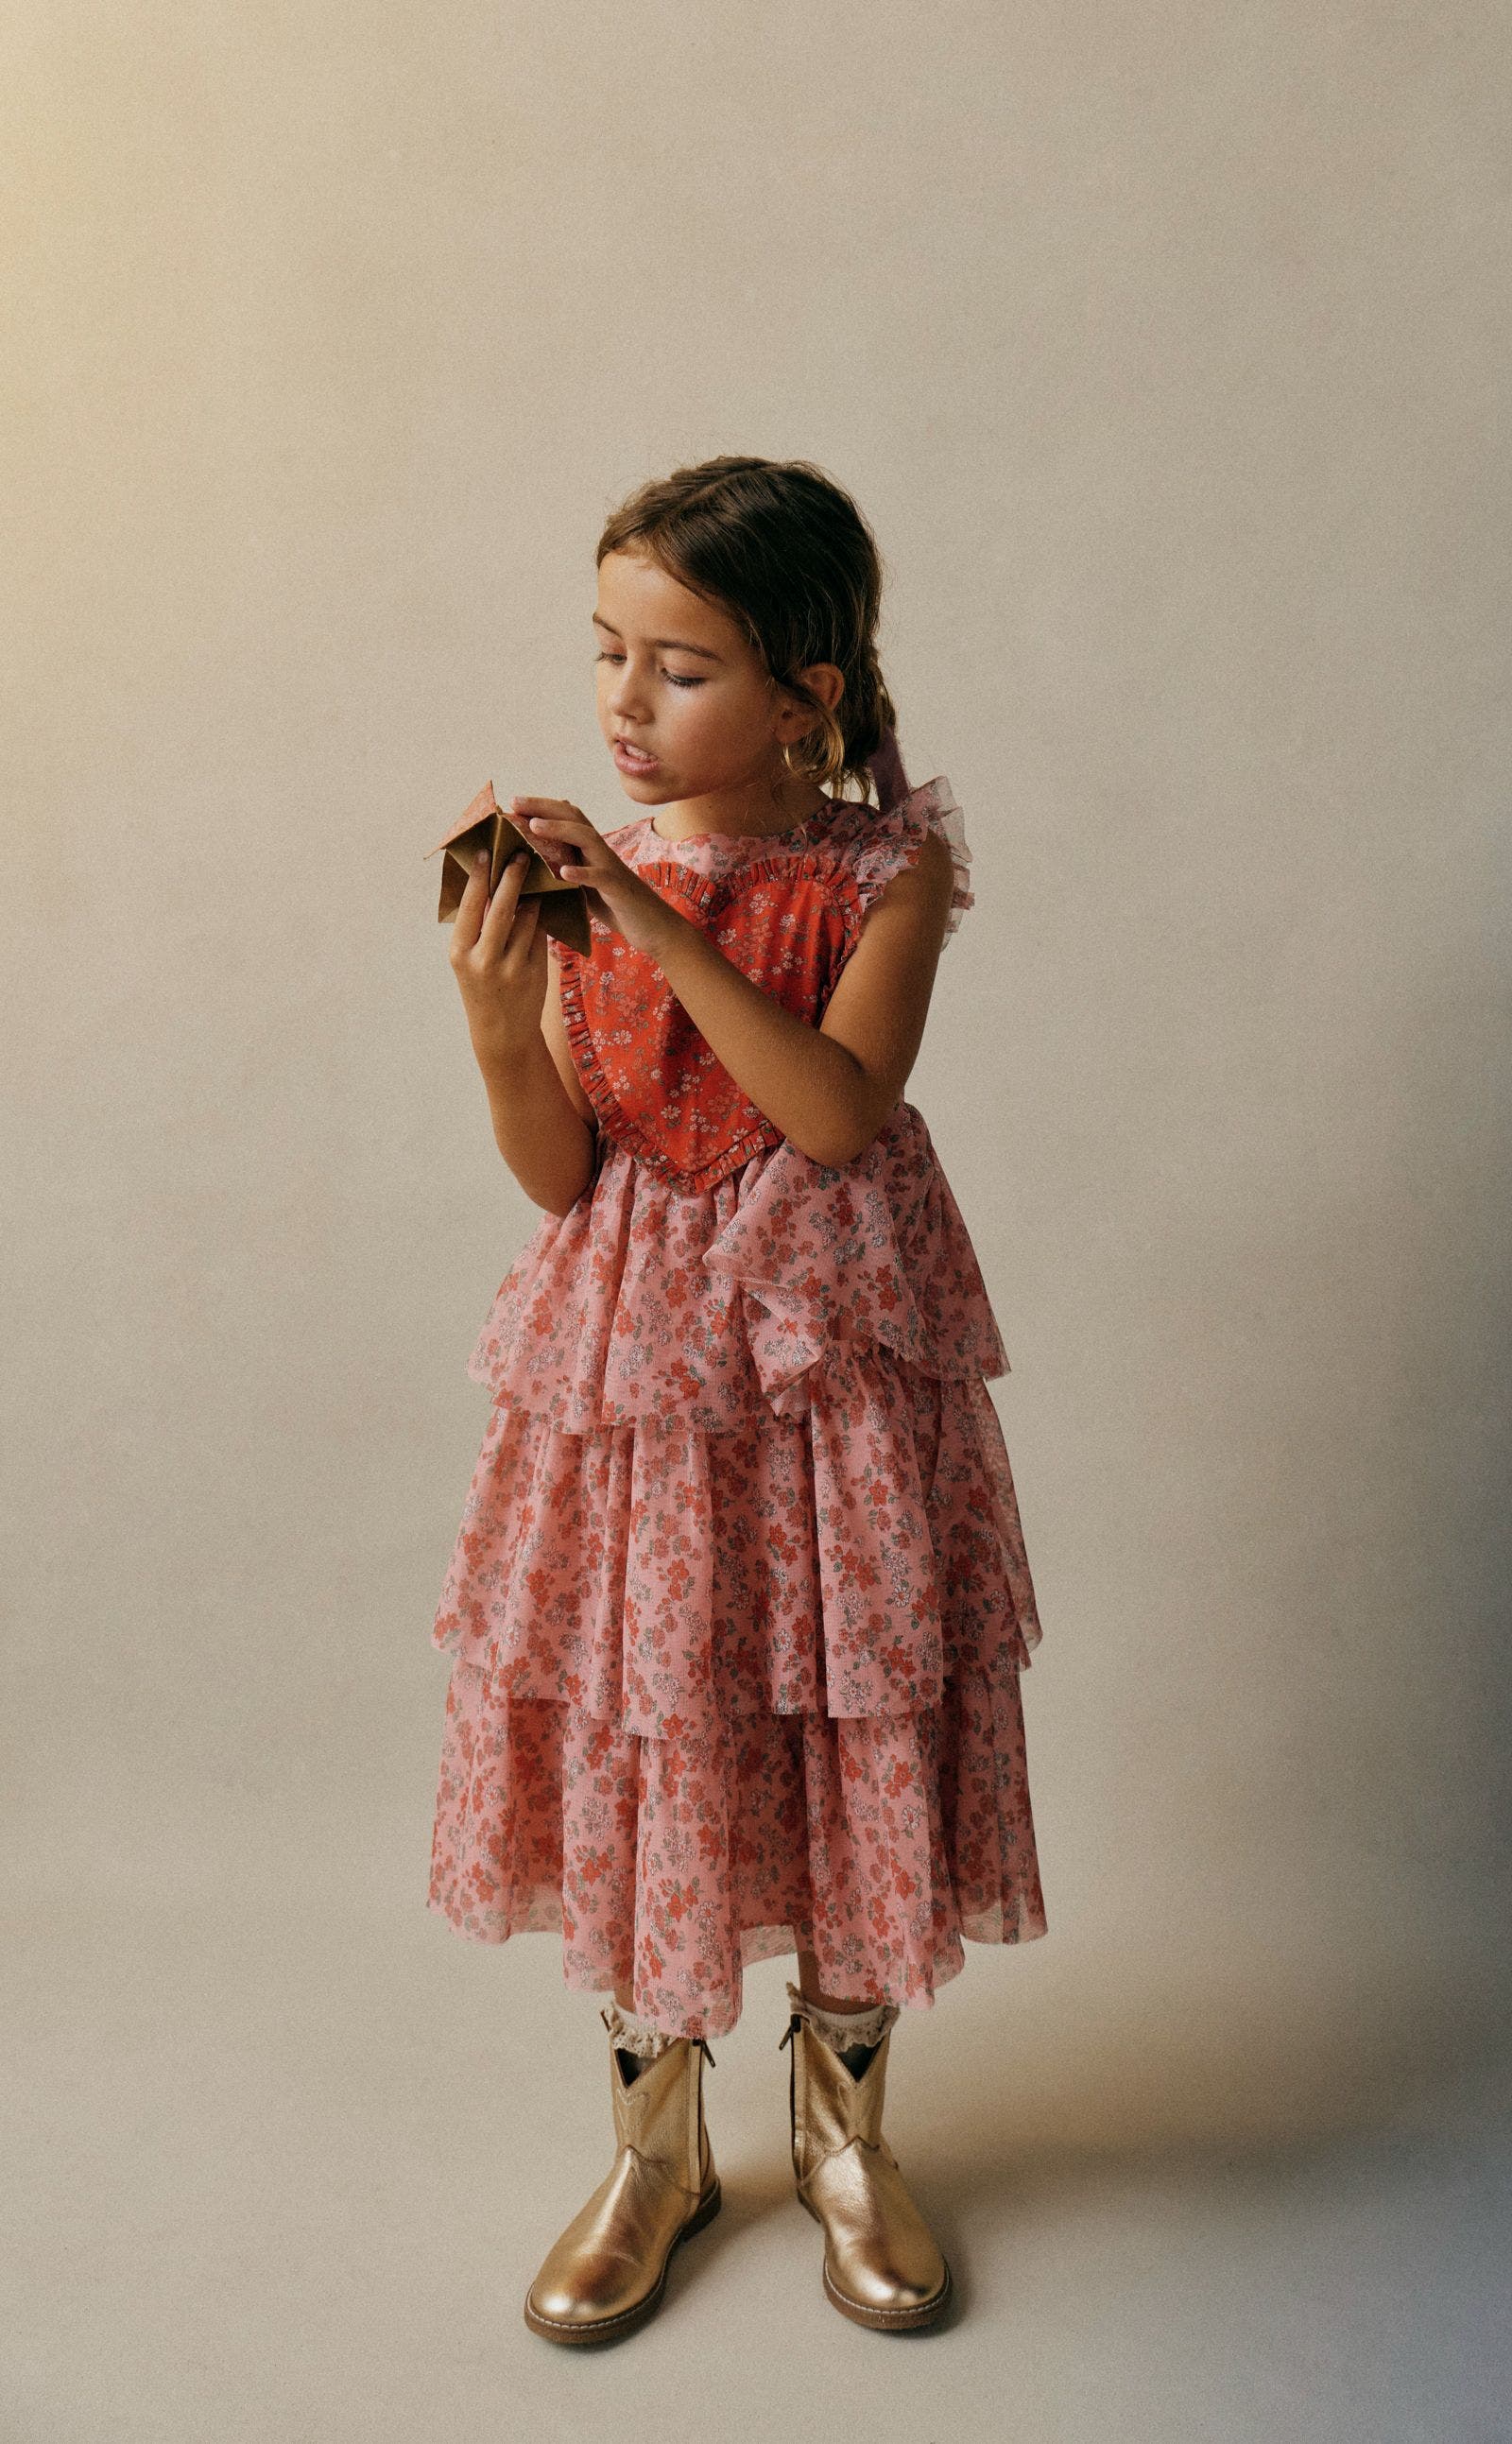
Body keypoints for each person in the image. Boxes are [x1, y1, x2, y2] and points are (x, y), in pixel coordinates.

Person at [426, 455, 1047, 2344]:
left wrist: (648, 914)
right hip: (643, 1371)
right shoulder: (576, 886)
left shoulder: (886, 871)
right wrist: (491, 999)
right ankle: (656, 2150)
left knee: (847, 1703)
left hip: (831, 1363)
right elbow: (562, 1173)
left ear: (808, 691)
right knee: (663, 1717)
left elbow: (830, 1112)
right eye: (606, 653)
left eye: (678, 666)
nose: (621, 702)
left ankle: (845, 2135)